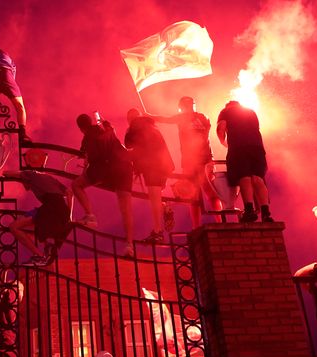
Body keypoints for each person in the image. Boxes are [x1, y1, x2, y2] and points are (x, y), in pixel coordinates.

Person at [148, 97, 222, 228]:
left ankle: (202, 225)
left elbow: (166, 119)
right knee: (200, 194)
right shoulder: (202, 117)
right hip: (199, 161)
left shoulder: (192, 118)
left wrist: (149, 116)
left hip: (196, 161)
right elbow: (167, 119)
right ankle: (216, 223)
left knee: (198, 195)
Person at [72, 113, 135, 256]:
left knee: (76, 185)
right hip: (124, 169)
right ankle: (129, 245)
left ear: (81, 128)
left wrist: (85, 164)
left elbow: (90, 156)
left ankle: (90, 216)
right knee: (126, 210)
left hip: (105, 170)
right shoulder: (106, 127)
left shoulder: (88, 136)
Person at [4, 155, 72, 266]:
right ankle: (45, 252)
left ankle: (40, 256)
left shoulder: (31, 174)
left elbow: (6, 173)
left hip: (50, 208)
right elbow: (69, 192)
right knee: (27, 227)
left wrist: (22, 174)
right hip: (59, 209)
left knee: (14, 227)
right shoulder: (49, 178)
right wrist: (68, 213)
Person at [216, 100, 273, 222]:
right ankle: (266, 213)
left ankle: (249, 211)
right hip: (257, 148)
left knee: (244, 177)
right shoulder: (251, 112)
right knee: (258, 178)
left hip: (239, 148)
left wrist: (223, 142)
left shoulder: (225, 111)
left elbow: (221, 128)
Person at [125, 108, 175, 243]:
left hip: (152, 166)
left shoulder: (135, 128)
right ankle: (165, 207)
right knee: (157, 196)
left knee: (153, 199)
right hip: (164, 166)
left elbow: (129, 145)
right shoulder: (152, 126)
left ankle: (158, 233)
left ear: (130, 119)